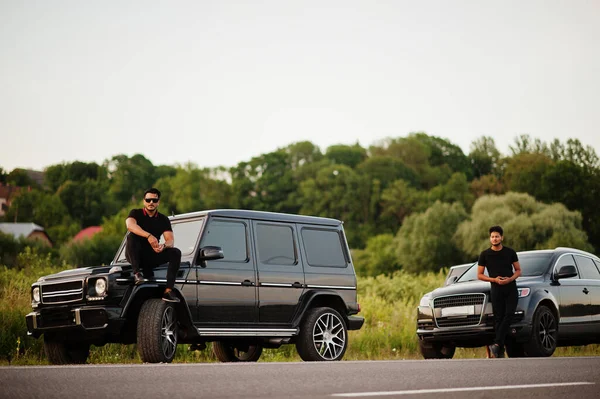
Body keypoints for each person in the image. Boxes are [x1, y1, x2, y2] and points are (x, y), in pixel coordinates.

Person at [125, 188, 181, 303]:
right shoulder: (135, 213)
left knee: (175, 252)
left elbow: (170, 240)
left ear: (158, 202)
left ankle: (168, 290)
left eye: (154, 200)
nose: (151, 203)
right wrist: (148, 236)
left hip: (152, 254)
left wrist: (163, 246)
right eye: (148, 200)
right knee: (132, 236)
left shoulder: (163, 219)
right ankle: (136, 273)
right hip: (136, 255)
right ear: (144, 201)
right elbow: (130, 226)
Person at [477, 225, 522, 358]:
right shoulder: (484, 254)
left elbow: (518, 270)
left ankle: (497, 344)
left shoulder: (510, 252)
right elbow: (479, 275)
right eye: (492, 237)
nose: (495, 239)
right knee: (498, 318)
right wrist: (494, 280)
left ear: (502, 237)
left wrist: (510, 279)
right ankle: (499, 349)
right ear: (490, 238)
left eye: (497, 236)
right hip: (496, 288)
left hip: (510, 288)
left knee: (509, 314)